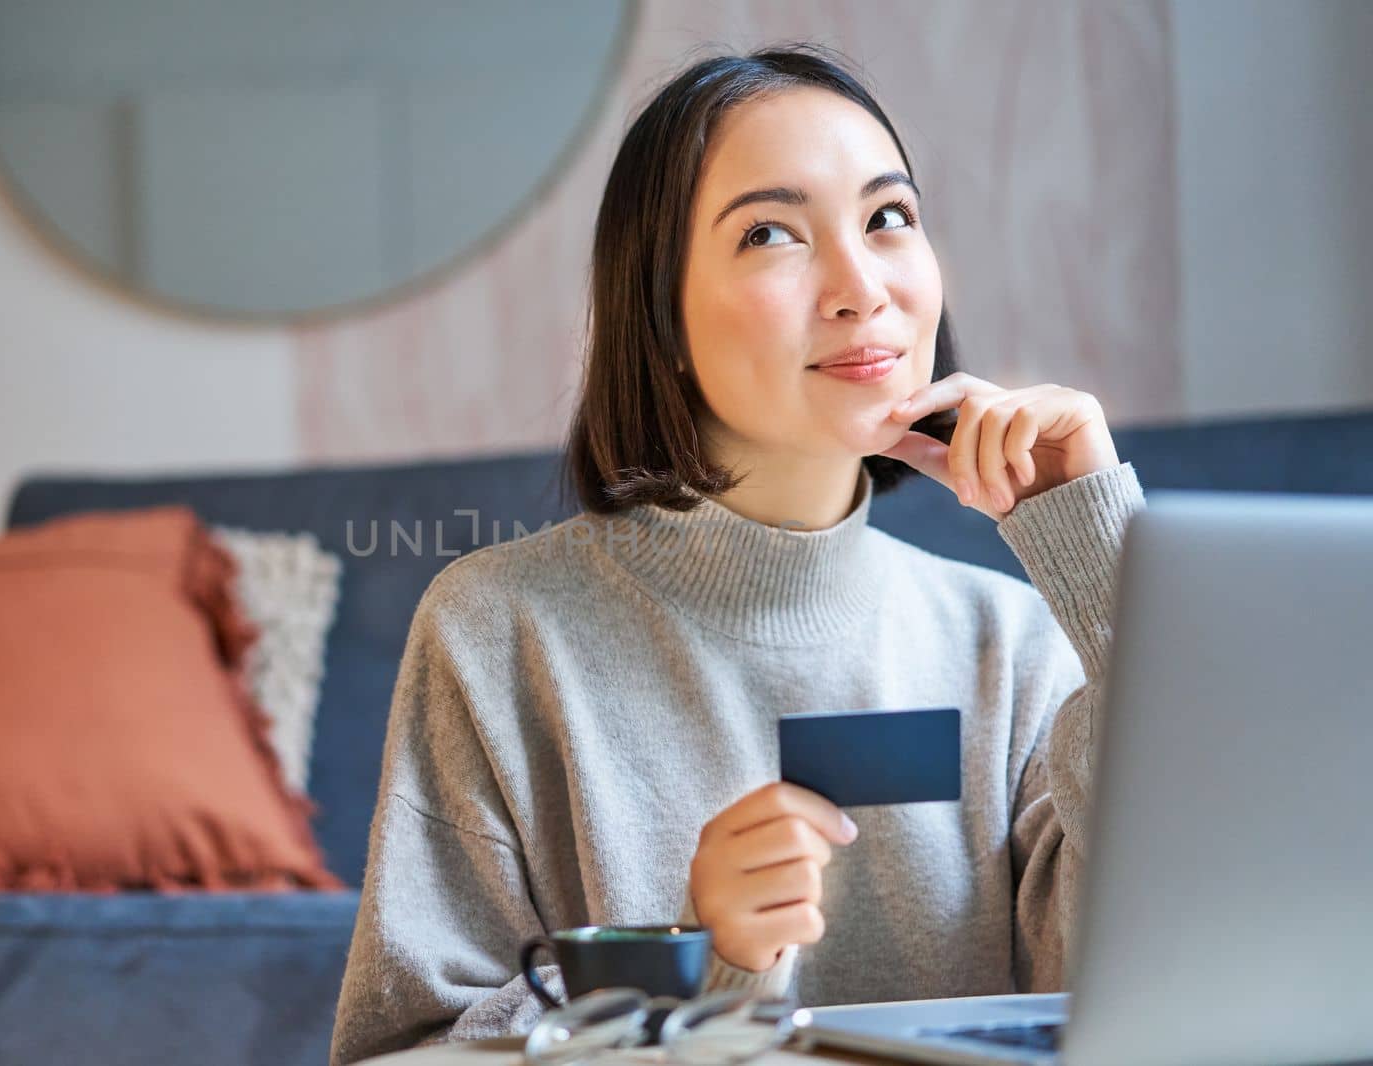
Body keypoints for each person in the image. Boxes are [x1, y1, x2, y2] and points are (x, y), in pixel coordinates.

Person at [330, 43, 1144, 1064]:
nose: (861, 287)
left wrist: (1106, 559)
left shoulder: (1013, 640)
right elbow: (402, 1049)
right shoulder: (497, 629)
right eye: (769, 233)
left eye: (888, 217)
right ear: (661, 315)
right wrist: (698, 972)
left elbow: (1146, 988)